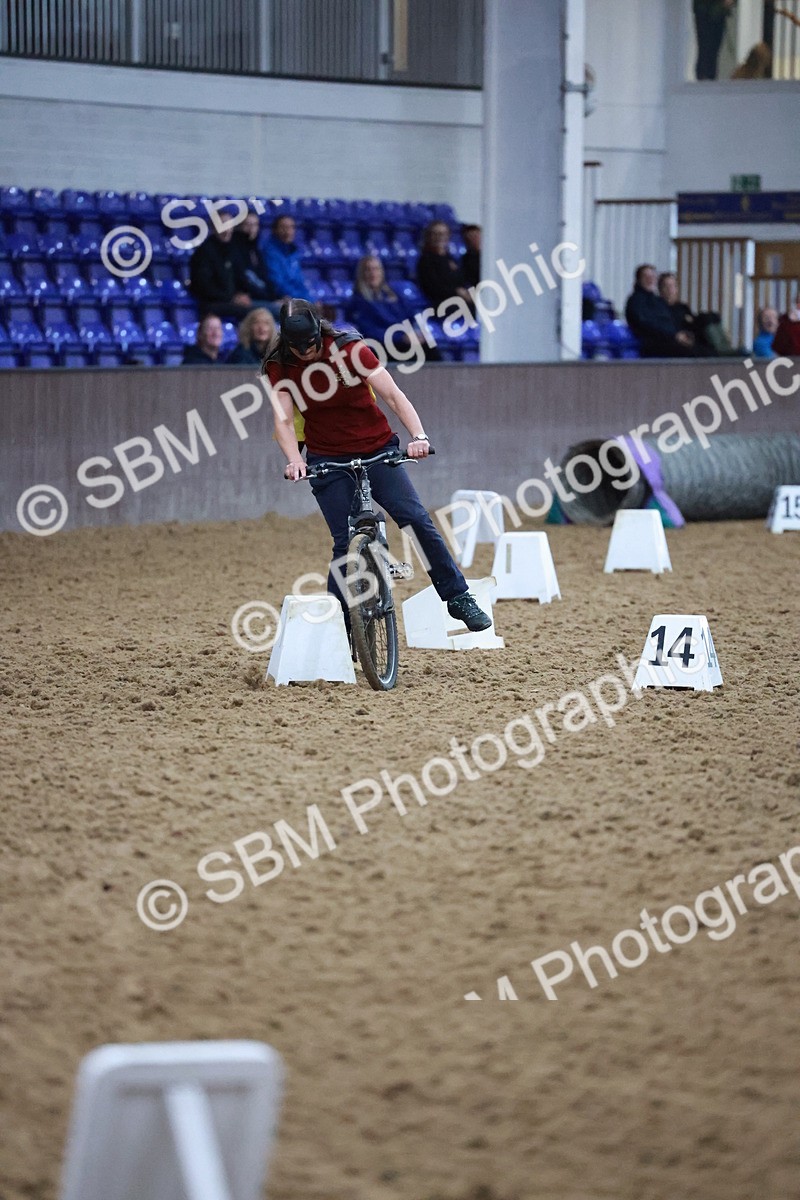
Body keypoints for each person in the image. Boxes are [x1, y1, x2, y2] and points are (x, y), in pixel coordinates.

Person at [264, 299, 491, 633]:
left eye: (311, 345)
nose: (305, 353)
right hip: (326, 456)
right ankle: (338, 627)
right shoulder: (279, 364)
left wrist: (419, 436)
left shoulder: (349, 348)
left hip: (377, 448)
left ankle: (458, 596)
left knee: (415, 519)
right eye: (297, 348)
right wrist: (295, 460)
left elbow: (394, 396)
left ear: (319, 332)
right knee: (344, 543)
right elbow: (283, 419)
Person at [349, 256, 441, 362]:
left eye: (376, 269)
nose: (372, 273)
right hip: (382, 345)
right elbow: (369, 331)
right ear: (362, 274)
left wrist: (416, 331)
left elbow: (410, 315)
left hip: (403, 338)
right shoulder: (358, 301)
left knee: (429, 345)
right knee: (412, 352)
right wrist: (401, 337)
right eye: (368, 269)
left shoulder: (393, 294)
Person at [625, 265, 698, 357]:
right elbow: (647, 324)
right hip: (652, 343)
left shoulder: (657, 301)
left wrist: (682, 335)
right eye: (646, 277)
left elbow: (669, 321)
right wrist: (674, 335)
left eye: (652, 277)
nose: (650, 280)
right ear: (639, 280)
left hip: (668, 339)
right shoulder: (636, 301)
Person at [189, 226, 254, 322]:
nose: (227, 229)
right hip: (211, 302)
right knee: (256, 314)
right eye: (222, 224)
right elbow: (203, 286)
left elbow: (241, 279)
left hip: (231, 300)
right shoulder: (204, 252)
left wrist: (242, 294)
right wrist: (231, 298)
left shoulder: (232, 251)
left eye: (230, 226)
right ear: (213, 228)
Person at [231, 211, 282, 317]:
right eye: (247, 224)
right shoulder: (233, 250)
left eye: (254, 225)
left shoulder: (256, 251)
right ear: (239, 227)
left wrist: (278, 298)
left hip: (262, 299)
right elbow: (242, 279)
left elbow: (265, 279)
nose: (251, 229)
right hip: (246, 301)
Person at [416, 221, 475, 313]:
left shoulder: (449, 258)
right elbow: (432, 287)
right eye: (436, 234)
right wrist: (457, 292)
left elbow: (460, 279)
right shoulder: (426, 260)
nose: (440, 237)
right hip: (438, 302)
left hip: (456, 298)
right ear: (429, 236)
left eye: (443, 234)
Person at [261, 215, 312, 304]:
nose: (288, 231)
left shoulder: (293, 252)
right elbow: (276, 283)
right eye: (283, 227)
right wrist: (303, 300)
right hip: (279, 298)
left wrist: (311, 300)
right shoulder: (269, 252)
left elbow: (299, 282)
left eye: (291, 227)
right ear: (274, 230)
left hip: (297, 298)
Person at [693, 0, 735, 81]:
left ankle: (709, 79)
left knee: (713, 50)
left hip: (718, 11)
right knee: (705, 49)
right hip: (705, 10)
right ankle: (704, 79)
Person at [461, 224, 481, 290]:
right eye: (470, 238)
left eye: (476, 236)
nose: (474, 240)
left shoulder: (491, 256)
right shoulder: (465, 260)